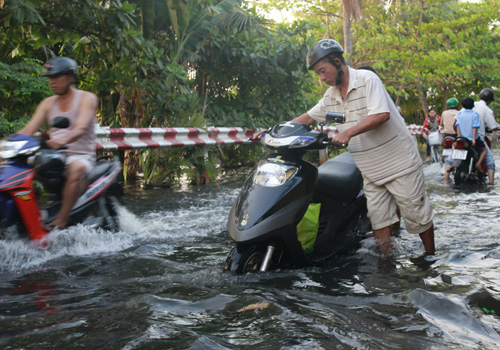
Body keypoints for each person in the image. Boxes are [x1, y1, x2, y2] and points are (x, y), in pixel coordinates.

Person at [254, 39, 435, 258]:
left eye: (323, 71)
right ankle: (387, 268)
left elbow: (381, 115)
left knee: (417, 216)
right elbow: (308, 118)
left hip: (400, 163)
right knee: (380, 220)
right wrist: (274, 131)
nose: (322, 77)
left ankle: (430, 258)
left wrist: (348, 132)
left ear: (337, 61)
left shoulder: (367, 80)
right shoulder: (330, 97)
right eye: (318, 74)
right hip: (369, 169)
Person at [19, 57, 98, 231]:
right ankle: (28, 216)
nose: (52, 82)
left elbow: (81, 127)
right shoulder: (47, 103)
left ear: (70, 76)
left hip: (80, 156)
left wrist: (61, 141)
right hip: (52, 156)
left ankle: (61, 219)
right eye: (50, 78)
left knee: (76, 167)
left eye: (57, 77)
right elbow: (28, 129)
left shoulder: (87, 98)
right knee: (18, 168)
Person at [473, 88, 498, 184]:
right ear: (489, 100)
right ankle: (491, 183)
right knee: (490, 160)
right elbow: (493, 126)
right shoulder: (487, 109)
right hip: (478, 137)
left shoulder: (472, 104)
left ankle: (447, 173)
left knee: (451, 157)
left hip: (464, 137)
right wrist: (495, 128)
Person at [457, 97, 487, 170]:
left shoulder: (460, 114)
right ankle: (478, 163)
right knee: (484, 150)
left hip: (462, 139)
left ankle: (452, 164)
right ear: (473, 106)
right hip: (471, 139)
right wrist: (473, 139)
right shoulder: (475, 115)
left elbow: (458, 125)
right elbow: (475, 127)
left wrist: (459, 137)